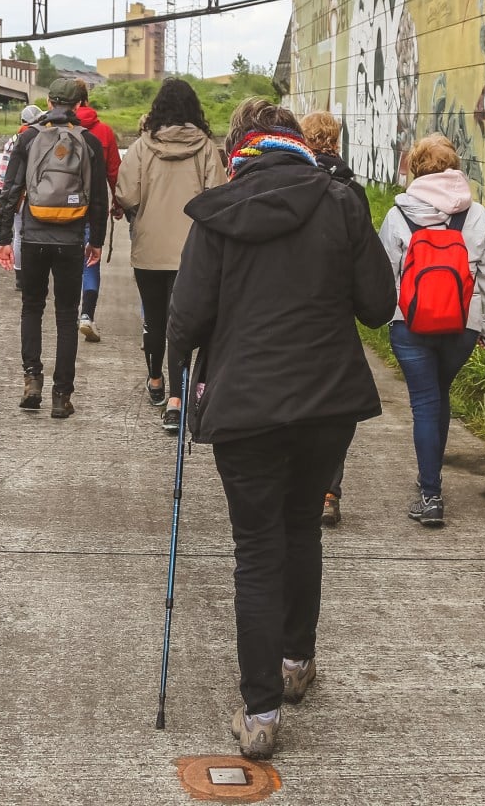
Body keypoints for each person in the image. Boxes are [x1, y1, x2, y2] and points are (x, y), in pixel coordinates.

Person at [168, 98, 395, 761]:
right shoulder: (341, 202)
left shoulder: (215, 214)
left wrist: (179, 381)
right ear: (296, 142)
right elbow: (379, 306)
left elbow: (186, 319)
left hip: (244, 408)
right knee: (300, 527)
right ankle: (297, 662)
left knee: (257, 550)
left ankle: (261, 711)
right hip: (327, 405)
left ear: (238, 148)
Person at [376, 134, 485, 527]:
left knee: (425, 402)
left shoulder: (399, 215)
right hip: (463, 324)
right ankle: (430, 483)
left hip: (411, 324)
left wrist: (388, 315)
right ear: (455, 167)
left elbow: (385, 275)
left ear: (415, 169)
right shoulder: (477, 214)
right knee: (439, 394)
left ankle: (430, 494)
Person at [116, 78, 224, 433]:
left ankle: (156, 380)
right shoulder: (207, 148)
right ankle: (178, 402)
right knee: (182, 322)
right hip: (192, 252)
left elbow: (127, 196)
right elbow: (218, 197)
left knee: (155, 318)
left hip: (149, 248)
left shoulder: (141, 148)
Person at [0, 79, 108, 419]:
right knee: (65, 316)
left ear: (48, 101)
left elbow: (11, 191)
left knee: (31, 307)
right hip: (71, 237)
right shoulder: (87, 141)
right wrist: (97, 240)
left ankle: (32, 381)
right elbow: (99, 199)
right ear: (77, 105)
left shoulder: (28, 137)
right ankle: (62, 395)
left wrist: (2, 239)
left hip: (33, 236)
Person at [300, 110, 365, 526]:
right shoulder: (352, 191)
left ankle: (296, 485)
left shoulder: (295, 184)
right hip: (336, 311)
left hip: (295, 307)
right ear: (337, 141)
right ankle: (327, 490)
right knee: (333, 406)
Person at [71, 86, 121, 341]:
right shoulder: (104, 132)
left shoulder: (56, 129)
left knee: (67, 263)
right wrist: (119, 203)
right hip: (93, 207)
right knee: (91, 261)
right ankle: (86, 316)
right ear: (86, 100)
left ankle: (68, 315)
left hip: (60, 210)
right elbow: (114, 172)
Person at [0, 103, 46, 290]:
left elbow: (3, 172)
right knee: (31, 233)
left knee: (18, 234)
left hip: (13, 196)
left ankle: (19, 276)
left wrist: (3, 195)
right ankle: (32, 274)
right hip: (31, 194)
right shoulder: (38, 138)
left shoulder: (13, 139)